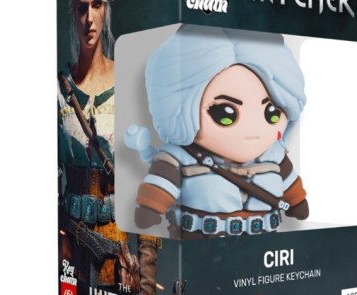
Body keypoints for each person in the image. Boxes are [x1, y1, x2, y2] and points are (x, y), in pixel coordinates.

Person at [58, 0, 161, 295]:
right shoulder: (57, 91)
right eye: (81, 7)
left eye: (97, 5)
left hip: (115, 258)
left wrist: (146, 290)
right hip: (68, 256)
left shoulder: (130, 84)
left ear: (106, 8)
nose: (89, 18)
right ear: (73, 12)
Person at [126, 25, 310, 238]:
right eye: (225, 113)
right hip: (202, 242)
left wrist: (297, 202)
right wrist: (151, 206)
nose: (252, 128)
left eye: (272, 113)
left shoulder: (274, 155)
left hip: (263, 243)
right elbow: (162, 184)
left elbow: (290, 183)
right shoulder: (180, 157)